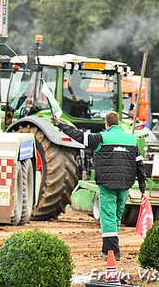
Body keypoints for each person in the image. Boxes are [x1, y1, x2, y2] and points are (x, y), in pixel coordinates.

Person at [52, 111, 146, 260]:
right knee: (115, 217)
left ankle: (113, 252)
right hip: (125, 184)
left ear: (106, 124)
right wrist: (142, 183)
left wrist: (60, 125)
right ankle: (106, 249)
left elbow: (78, 136)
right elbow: (139, 163)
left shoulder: (101, 137)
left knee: (108, 217)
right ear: (119, 123)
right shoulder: (131, 139)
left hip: (107, 184)